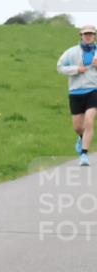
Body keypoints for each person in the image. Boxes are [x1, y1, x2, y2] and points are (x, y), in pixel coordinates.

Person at [56, 23, 97, 167]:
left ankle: (84, 154)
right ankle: (81, 137)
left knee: (89, 120)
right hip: (75, 92)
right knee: (78, 127)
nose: (88, 36)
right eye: (86, 34)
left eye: (91, 34)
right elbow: (59, 67)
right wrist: (76, 69)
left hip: (93, 90)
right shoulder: (71, 52)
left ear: (94, 36)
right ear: (81, 36)